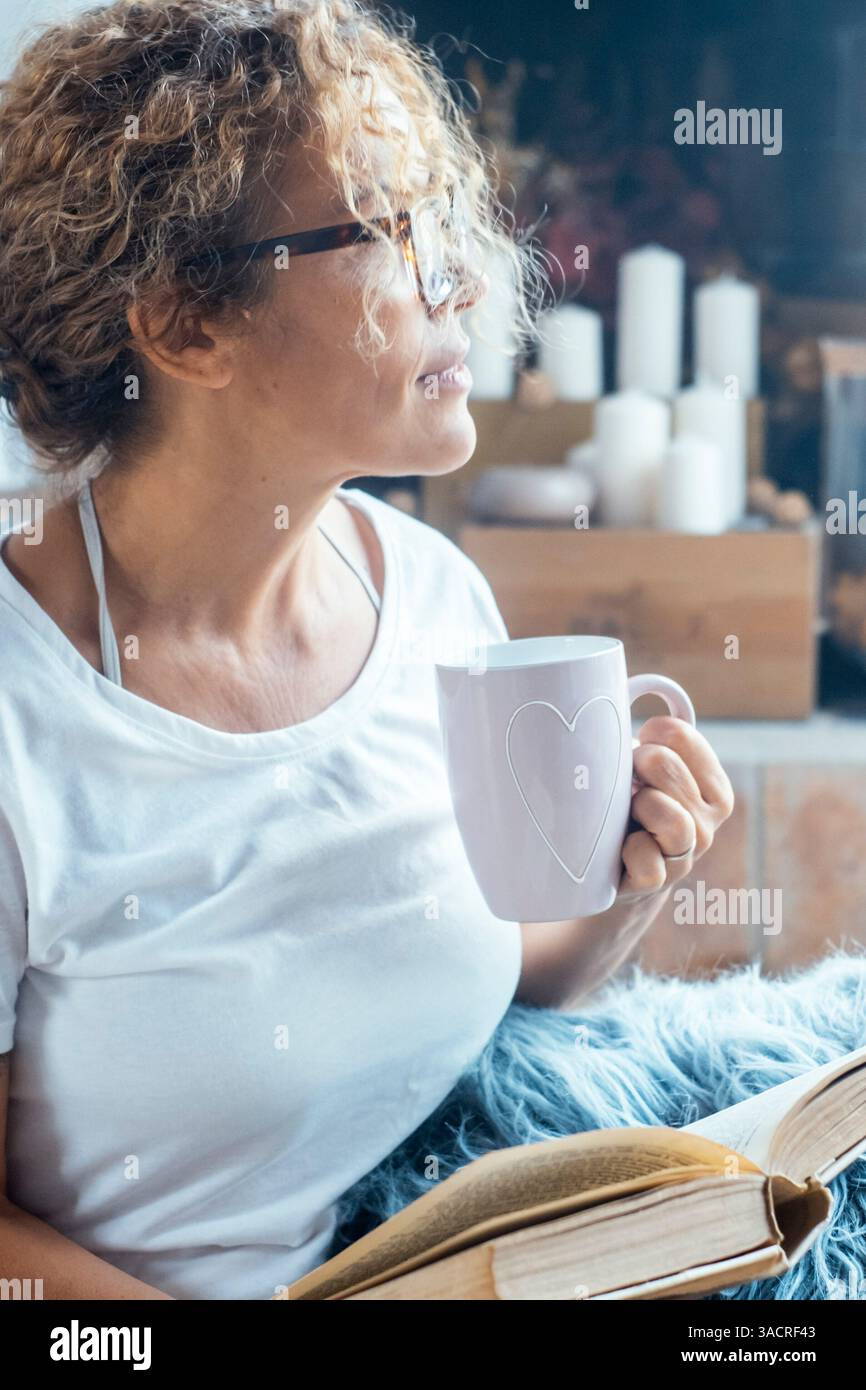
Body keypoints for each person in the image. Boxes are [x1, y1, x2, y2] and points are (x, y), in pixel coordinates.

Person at [0, 0, 733, 1300]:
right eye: (386, 231)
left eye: (441, 218)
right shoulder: (24, 704)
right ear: (183, 325)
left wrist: (627, 883)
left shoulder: (435, 596)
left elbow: (509, 973)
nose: (455, 276)